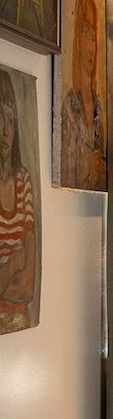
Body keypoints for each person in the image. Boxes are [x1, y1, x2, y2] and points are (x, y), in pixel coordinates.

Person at [0, 69, 36, 332]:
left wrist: (23, 270)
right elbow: (21, 258)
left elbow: (29, 275)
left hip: (17, 311)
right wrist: (14, 262)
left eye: (10, 122)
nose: (4, 132)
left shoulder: (23, 179)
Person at [61, 0, 106, 190]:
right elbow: (70, 174)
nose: (90, 45)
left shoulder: (99, 107)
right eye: (85, 33)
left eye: (93, 35)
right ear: (78, 39)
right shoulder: (70, 107)